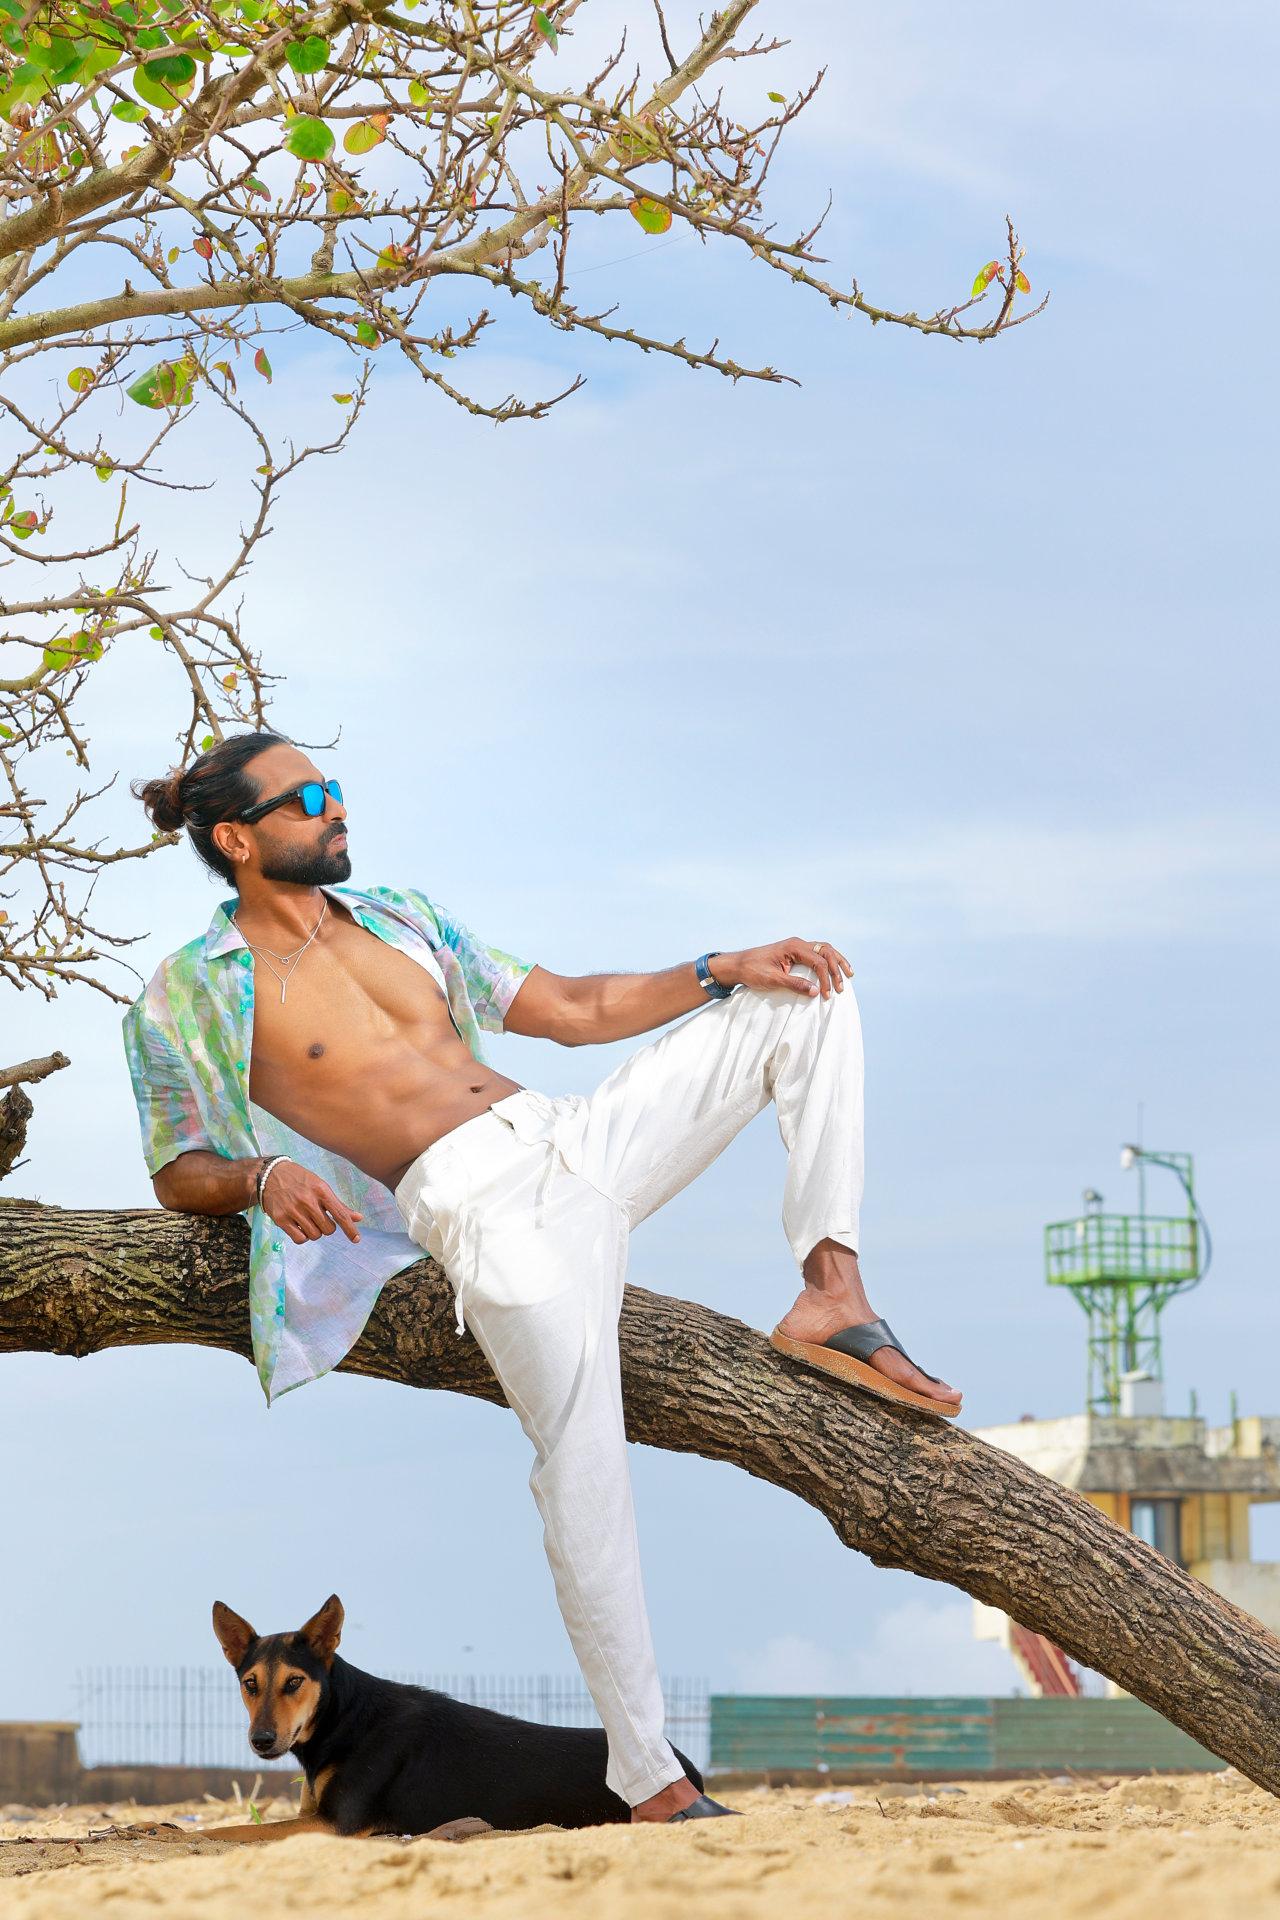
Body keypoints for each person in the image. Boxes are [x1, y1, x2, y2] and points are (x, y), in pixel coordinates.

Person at [124, 729, 961, 1825]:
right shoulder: (185, 994)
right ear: (237, 838)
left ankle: (832, 1291)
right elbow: (176, 1170)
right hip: (479, 1207)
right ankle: (649, 1777)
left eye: (335, 789)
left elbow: (569, 1009)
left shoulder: (400, 916)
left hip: (571, 1135)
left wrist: (720, 969)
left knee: (805, 992)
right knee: (582, 1468)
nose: (337, 809)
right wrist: (263, 1175)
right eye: (309, 799)